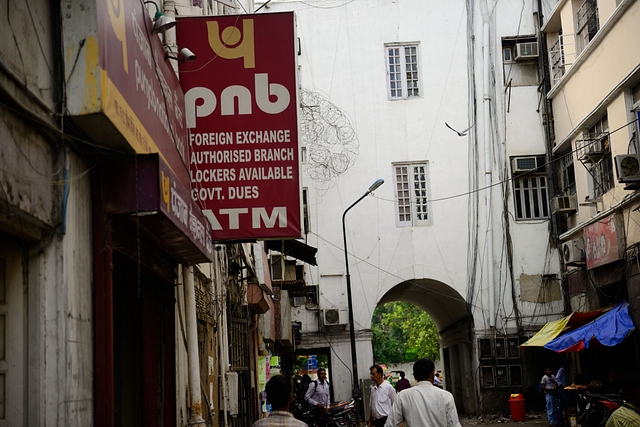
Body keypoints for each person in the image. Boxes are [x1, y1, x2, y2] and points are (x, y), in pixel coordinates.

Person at [385, 358, 462, 427]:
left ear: (414, 376)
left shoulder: (402, 396)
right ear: (432, 374)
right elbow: (454, 424)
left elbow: (390, 424)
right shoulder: (446, 396)